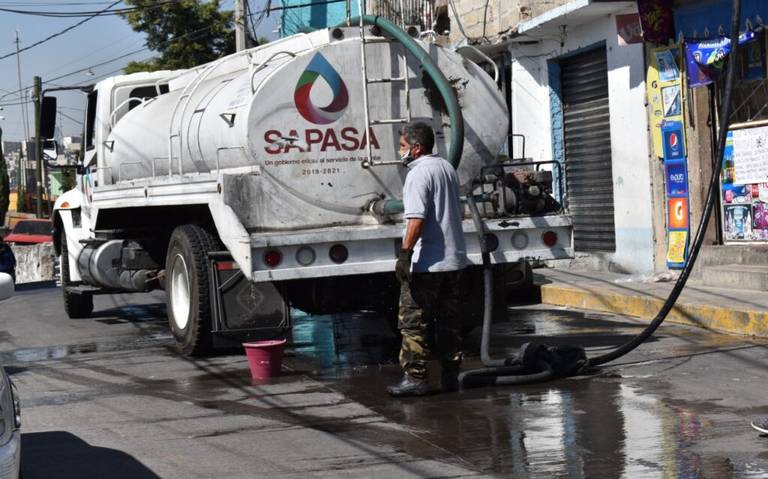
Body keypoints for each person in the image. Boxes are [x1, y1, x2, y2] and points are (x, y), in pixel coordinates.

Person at [387, 121, 469, 397]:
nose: (400, 151)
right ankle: (450, 375)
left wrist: (405, 254)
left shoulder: (418, 174)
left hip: (428, 265)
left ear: (417, 147)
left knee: (412, 322)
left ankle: (416, 378)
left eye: (402, 146)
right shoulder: (446, 168)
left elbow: (416, 219)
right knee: (449, 322)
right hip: (454, 262)